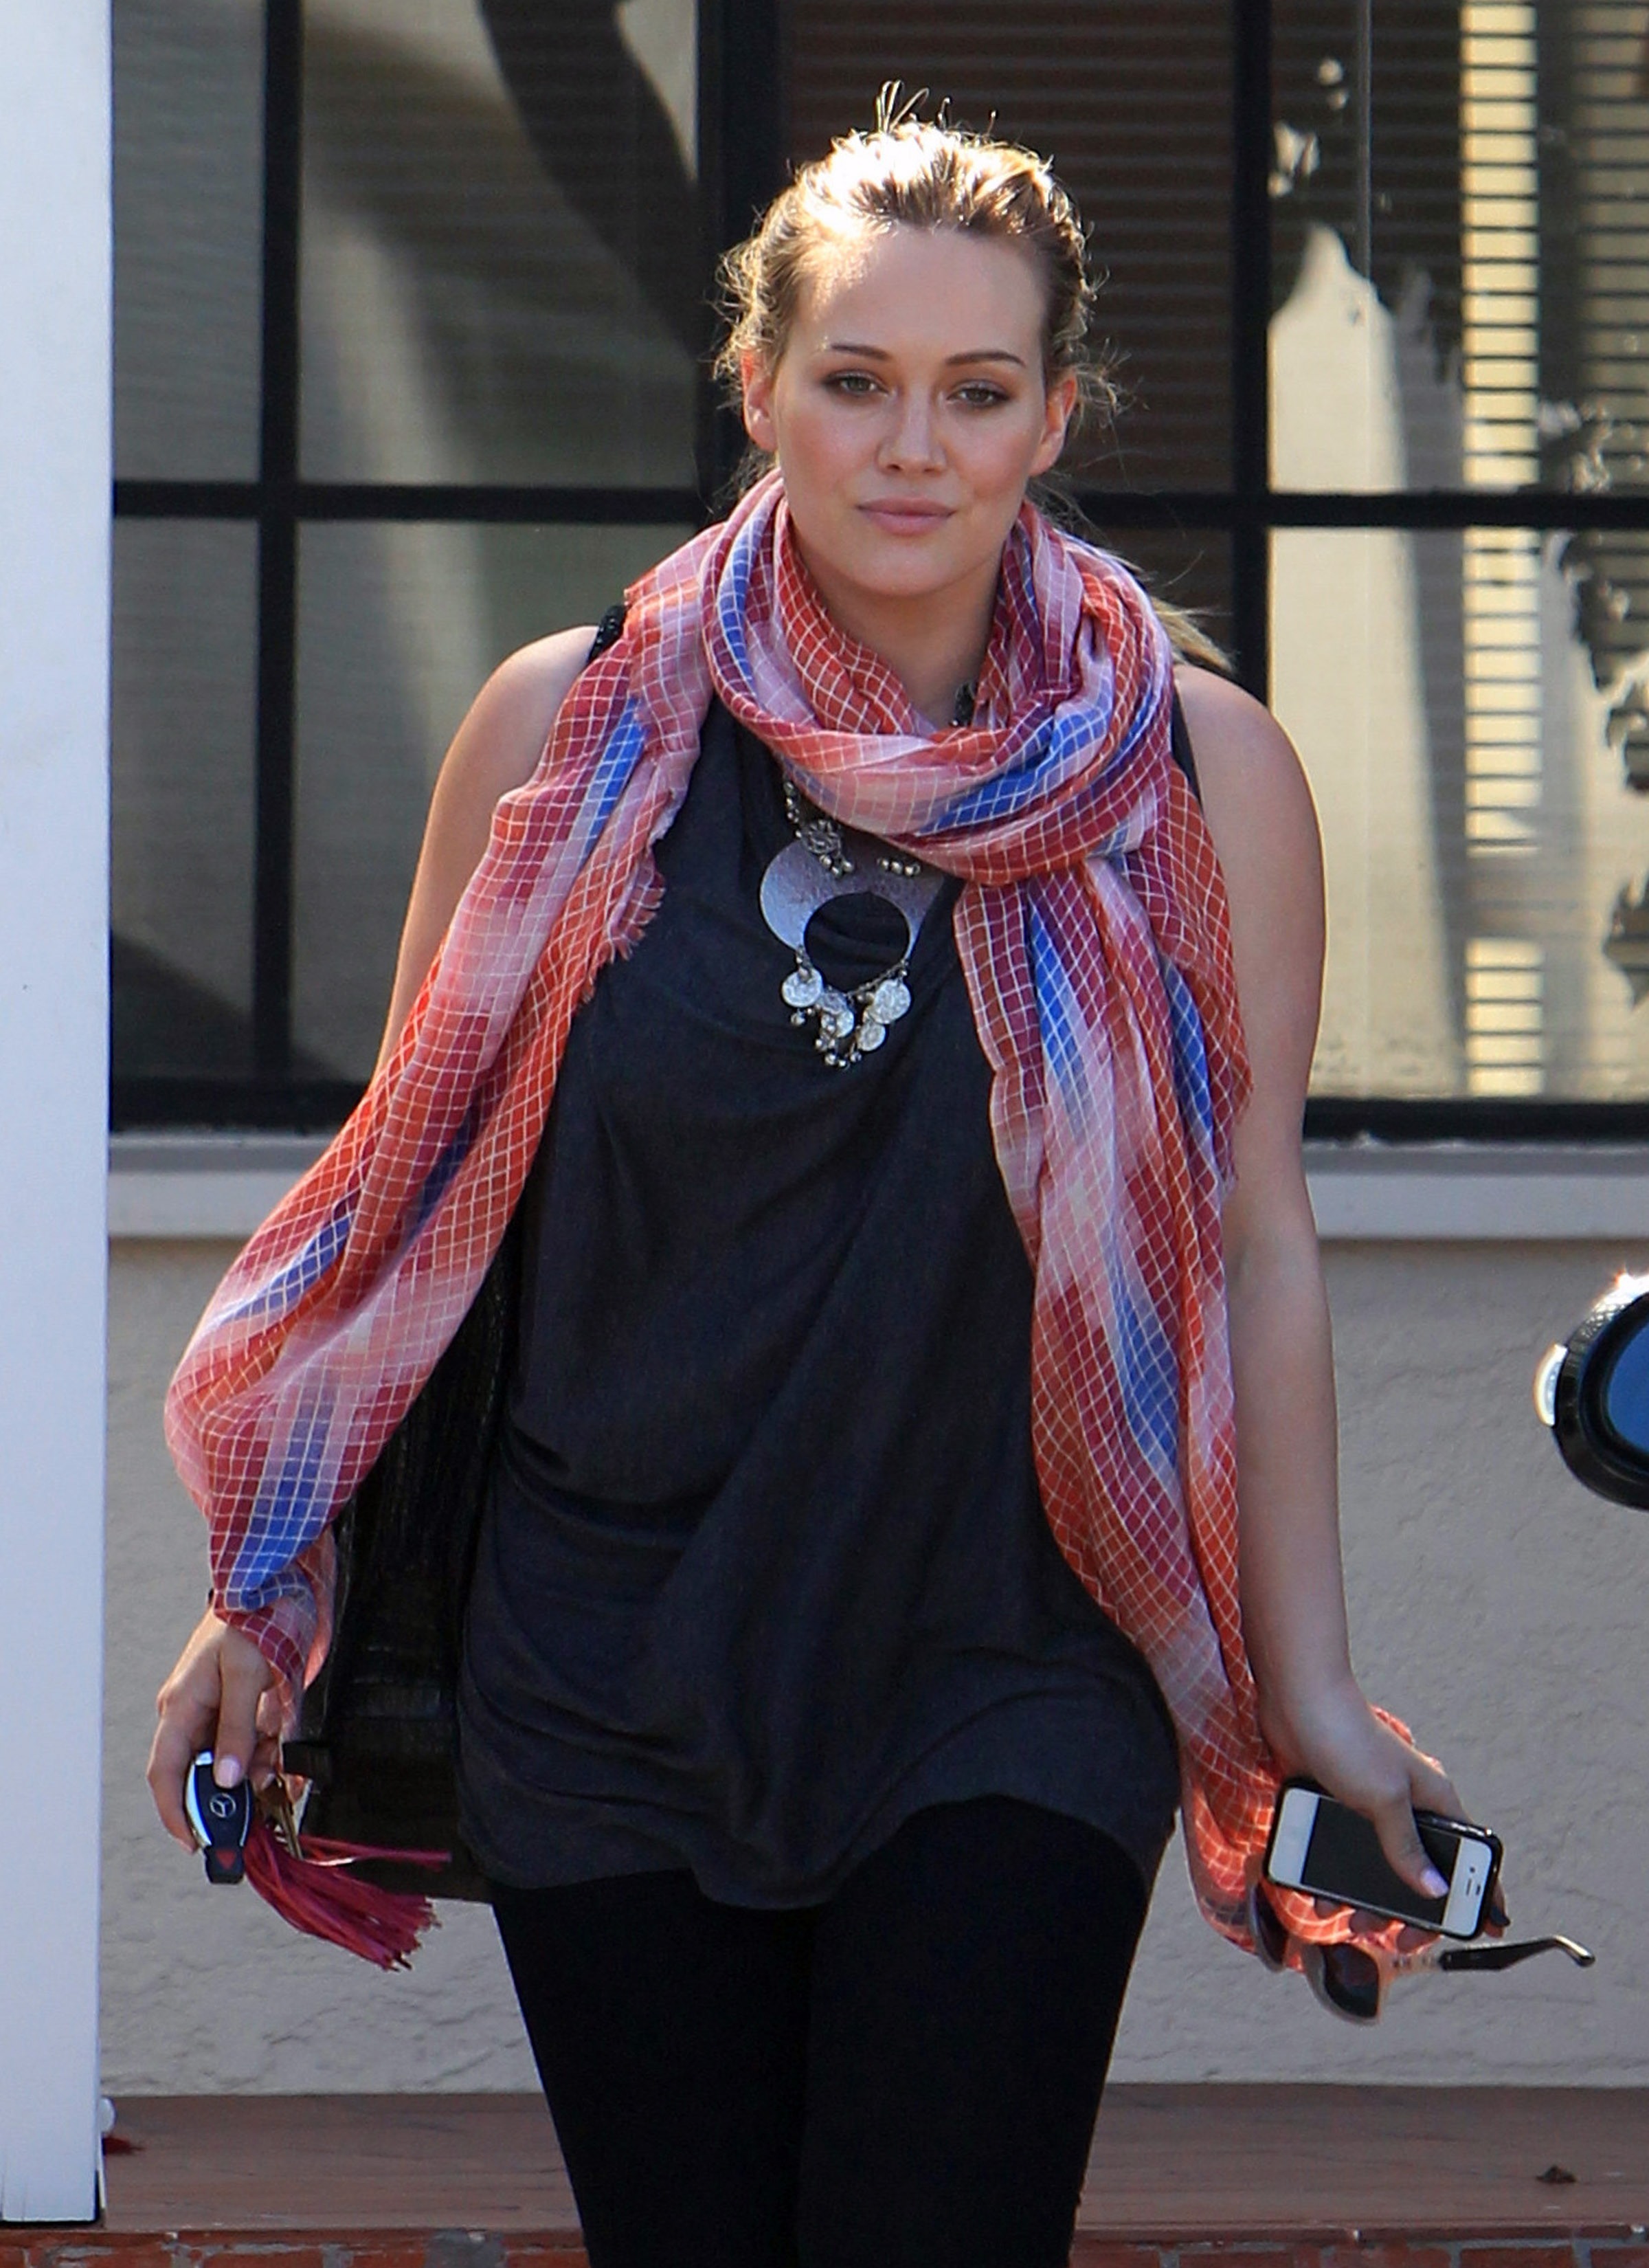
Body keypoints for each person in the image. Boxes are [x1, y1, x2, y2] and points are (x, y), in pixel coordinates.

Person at [148, 107, 1472, 2268]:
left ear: (1054, 417)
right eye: (857, 380)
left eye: (977, 389)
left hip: (1010, 1652)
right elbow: (409, 1209)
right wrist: (263, 1580)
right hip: (606, 1657)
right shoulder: (566, 731)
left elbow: (1254, 1235)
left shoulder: (1199, 773)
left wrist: (1312, 1688)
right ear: (758, 388)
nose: (914, 446)